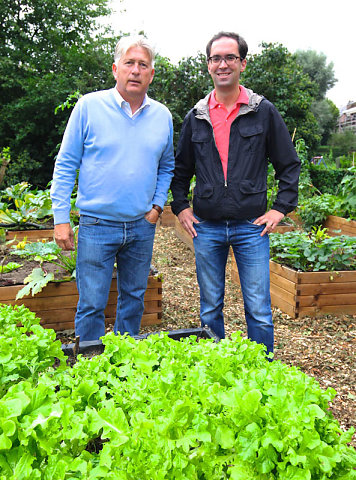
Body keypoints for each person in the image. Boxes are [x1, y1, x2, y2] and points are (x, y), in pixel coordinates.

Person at [170, 31, 300, 355]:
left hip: (251, 227)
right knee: (210, 308)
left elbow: (289, 164)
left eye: (230, 57)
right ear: (209, 65)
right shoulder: (196, 116)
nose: (223, 64)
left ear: (242, 63)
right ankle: (219, 373)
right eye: (216, 58)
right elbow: (180, 170)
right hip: (207, 226)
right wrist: (181, 207)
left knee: (258, 308)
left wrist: (280, 209)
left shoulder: (262, 111)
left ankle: (262, 374)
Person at [50, 35, 174, 341]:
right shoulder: (89, 107)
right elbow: (66, 163)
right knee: (91, 304)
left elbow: (167, 165)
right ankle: (91, 368)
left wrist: (157, 207)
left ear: (151, 74)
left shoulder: (162, 116)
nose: (135, 70)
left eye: (142, 65)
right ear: (115, 69)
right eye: (129, 63)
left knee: (133, 300)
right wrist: (61, 218)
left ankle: (125, 363)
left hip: (141, 227)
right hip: (96, 224)